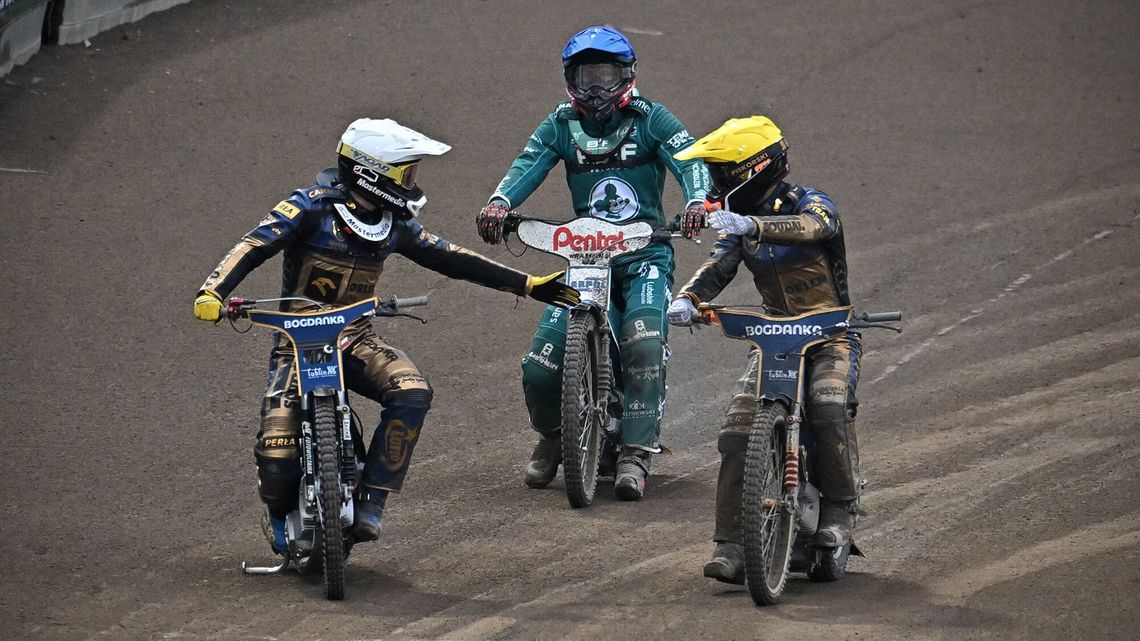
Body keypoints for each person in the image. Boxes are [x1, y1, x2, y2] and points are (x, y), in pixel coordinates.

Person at [192, 118, 579, 551]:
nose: (412, 182)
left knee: (412, 391)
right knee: (278, 454)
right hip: (297, 344)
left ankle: (372, 498)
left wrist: (528, 285)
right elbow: (254, 244)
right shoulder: (309, 207)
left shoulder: (394, 223)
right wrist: (214, 291)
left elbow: (452, 258)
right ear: (372, 173)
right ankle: (279, 518)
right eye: (406, 173)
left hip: (354, 338)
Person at [475, 25, 710, 500]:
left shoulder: (652, 119)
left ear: (627, 75)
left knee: (643, 343)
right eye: (588, 76)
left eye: (608, 75)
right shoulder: (561, 123)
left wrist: (698, 201)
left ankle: (636, 451)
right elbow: (528, 162)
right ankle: (553, 437)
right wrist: (500, 201)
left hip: (645, 254)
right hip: (584, 259)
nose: (597, 87)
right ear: (571, 78)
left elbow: (690, 160)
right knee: (540, 367)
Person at [667, 115, 862, 583]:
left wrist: (752, 223)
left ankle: (839, 512)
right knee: (736, 432)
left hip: (831, 334)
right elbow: (717, 267)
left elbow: (817, 226)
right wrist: (687, 300)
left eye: (721, 173)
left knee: (829, 409)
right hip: (774, 336)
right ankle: (731, 543)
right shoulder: (736, 228)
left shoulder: (809, 203)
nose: (715, 182)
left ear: (751, 170)